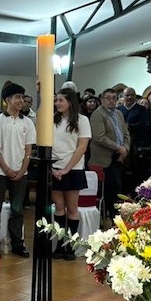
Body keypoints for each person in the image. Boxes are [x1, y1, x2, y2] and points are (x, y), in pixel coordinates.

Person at [0, 82, 35, 257]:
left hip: (20, 172)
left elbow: (28, 149)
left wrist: (22, 170)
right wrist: (6, 168)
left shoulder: (27, 122)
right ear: (7, 100)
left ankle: (17, 243)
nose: (21, 101)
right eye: (17, 97)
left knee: (17, 209)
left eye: (22, 97)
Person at [51, 88, 91, 261]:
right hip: (54, 167)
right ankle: (60, 244)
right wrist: (53, 168)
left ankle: (71, 245)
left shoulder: (82, 120)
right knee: (59, 207)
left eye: (61, 100)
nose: (57, 103)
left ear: (70, 102)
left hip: (73, 168)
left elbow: (82, 147)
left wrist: (67, 168)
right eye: (56, 100)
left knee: (72, 208)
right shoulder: (53, 120)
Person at [89, 88, 130, 218]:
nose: (111, 100)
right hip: (104, 159)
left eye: (114, 98)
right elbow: (99, 137)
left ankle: (116, 218)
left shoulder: (119, 113)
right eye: (108, 98)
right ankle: (113, 218)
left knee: (118, 189)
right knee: (112, 191)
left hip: (119, 157)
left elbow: (126, 133)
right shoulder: (98, 114)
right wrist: (118, 147)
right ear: (102, 100)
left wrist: (125, 148)